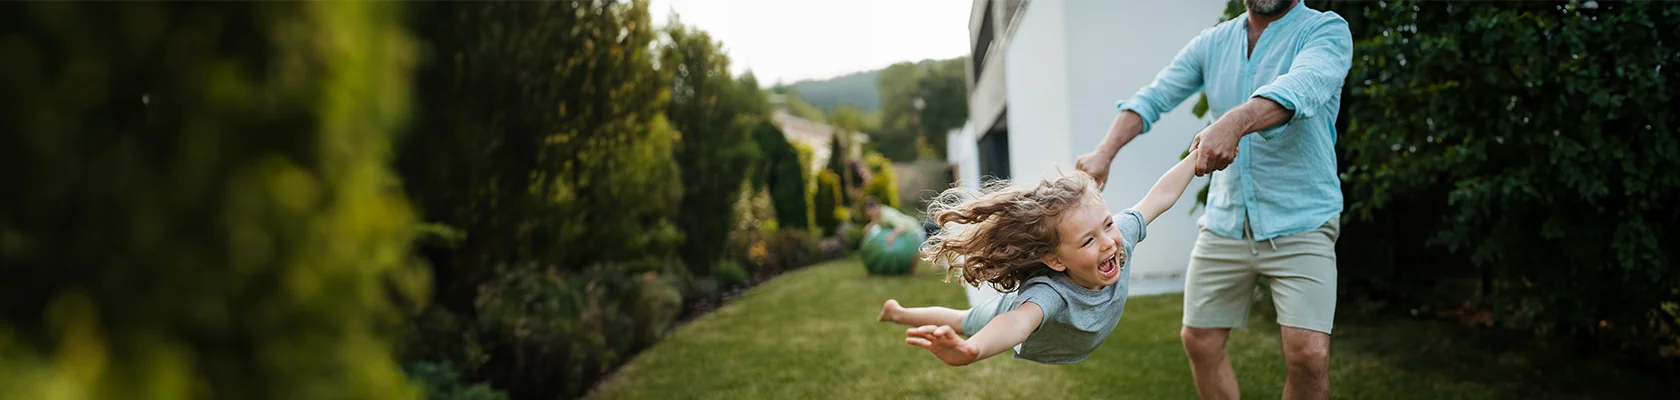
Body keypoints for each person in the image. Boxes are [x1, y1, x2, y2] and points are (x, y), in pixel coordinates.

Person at [1073, 0, 1351, 398]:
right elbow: (1154, 96)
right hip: (1226, 221)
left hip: (1302, 220)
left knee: (1308, 354)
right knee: (1199, 339)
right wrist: (1106, 150)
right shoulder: (1213, 43)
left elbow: (1301, 87)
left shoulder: (1326, 31)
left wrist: (1233, 123)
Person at [876, 149, 1201, 366]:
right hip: (1007, 314)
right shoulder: (1049, 293)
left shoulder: (1119, 237)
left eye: (1107, 225)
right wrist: (972, 350)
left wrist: (1196, 157)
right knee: (963, 320)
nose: (1107, 244)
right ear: (1056, 261)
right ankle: (900, 313)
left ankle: (898, 311)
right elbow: (1016, 323)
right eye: (1088, 240)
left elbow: (1159, 197)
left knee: (962, 318)